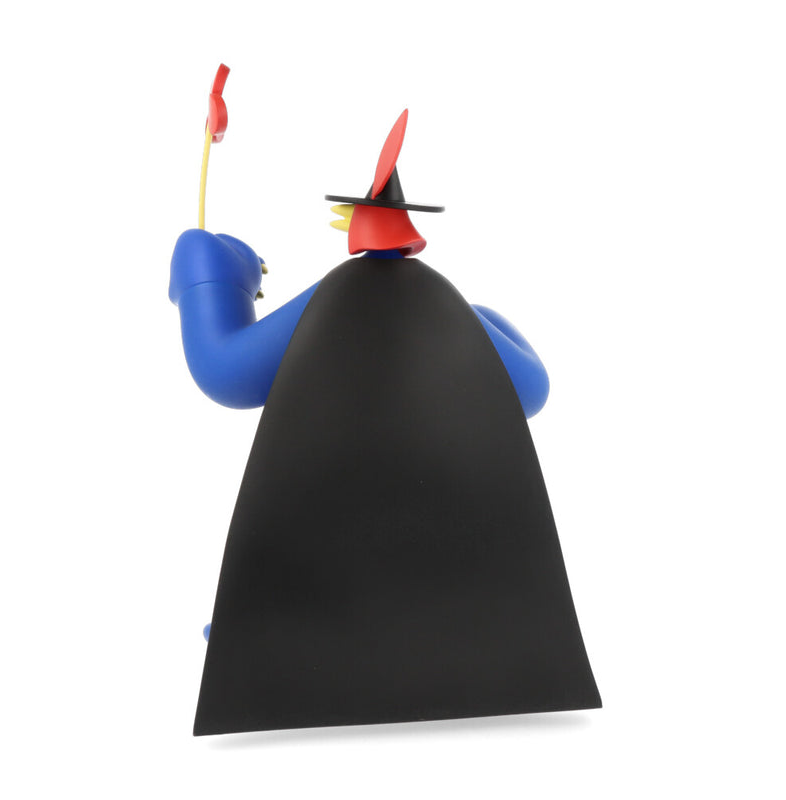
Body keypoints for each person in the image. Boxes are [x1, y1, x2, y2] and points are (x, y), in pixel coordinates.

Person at [170, 110, 600, 735]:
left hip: (325, 557)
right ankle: (258, 627)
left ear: (352, 224)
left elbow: (223, 370)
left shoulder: (328, 302)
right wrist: (483, 320)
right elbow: (533, 389)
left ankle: (257, 632)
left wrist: (208, 280)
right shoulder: (444, 308)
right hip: (472, 587)